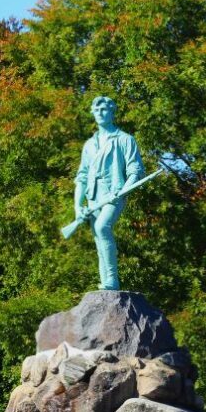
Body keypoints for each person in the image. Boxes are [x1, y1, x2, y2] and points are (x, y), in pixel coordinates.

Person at [74, 96, 145, 291]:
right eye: (97, 110)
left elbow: (135, 171)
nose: (100, 113)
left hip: (114, 194)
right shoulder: (89, 144)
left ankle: (112, 279)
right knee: (98, 238)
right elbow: (81, 177)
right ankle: (105, 282)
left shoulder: (125, 139)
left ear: (112, 112)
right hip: (93, 196)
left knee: (102, 227)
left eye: (104, 109)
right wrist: (78, 206)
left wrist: (122, 191)